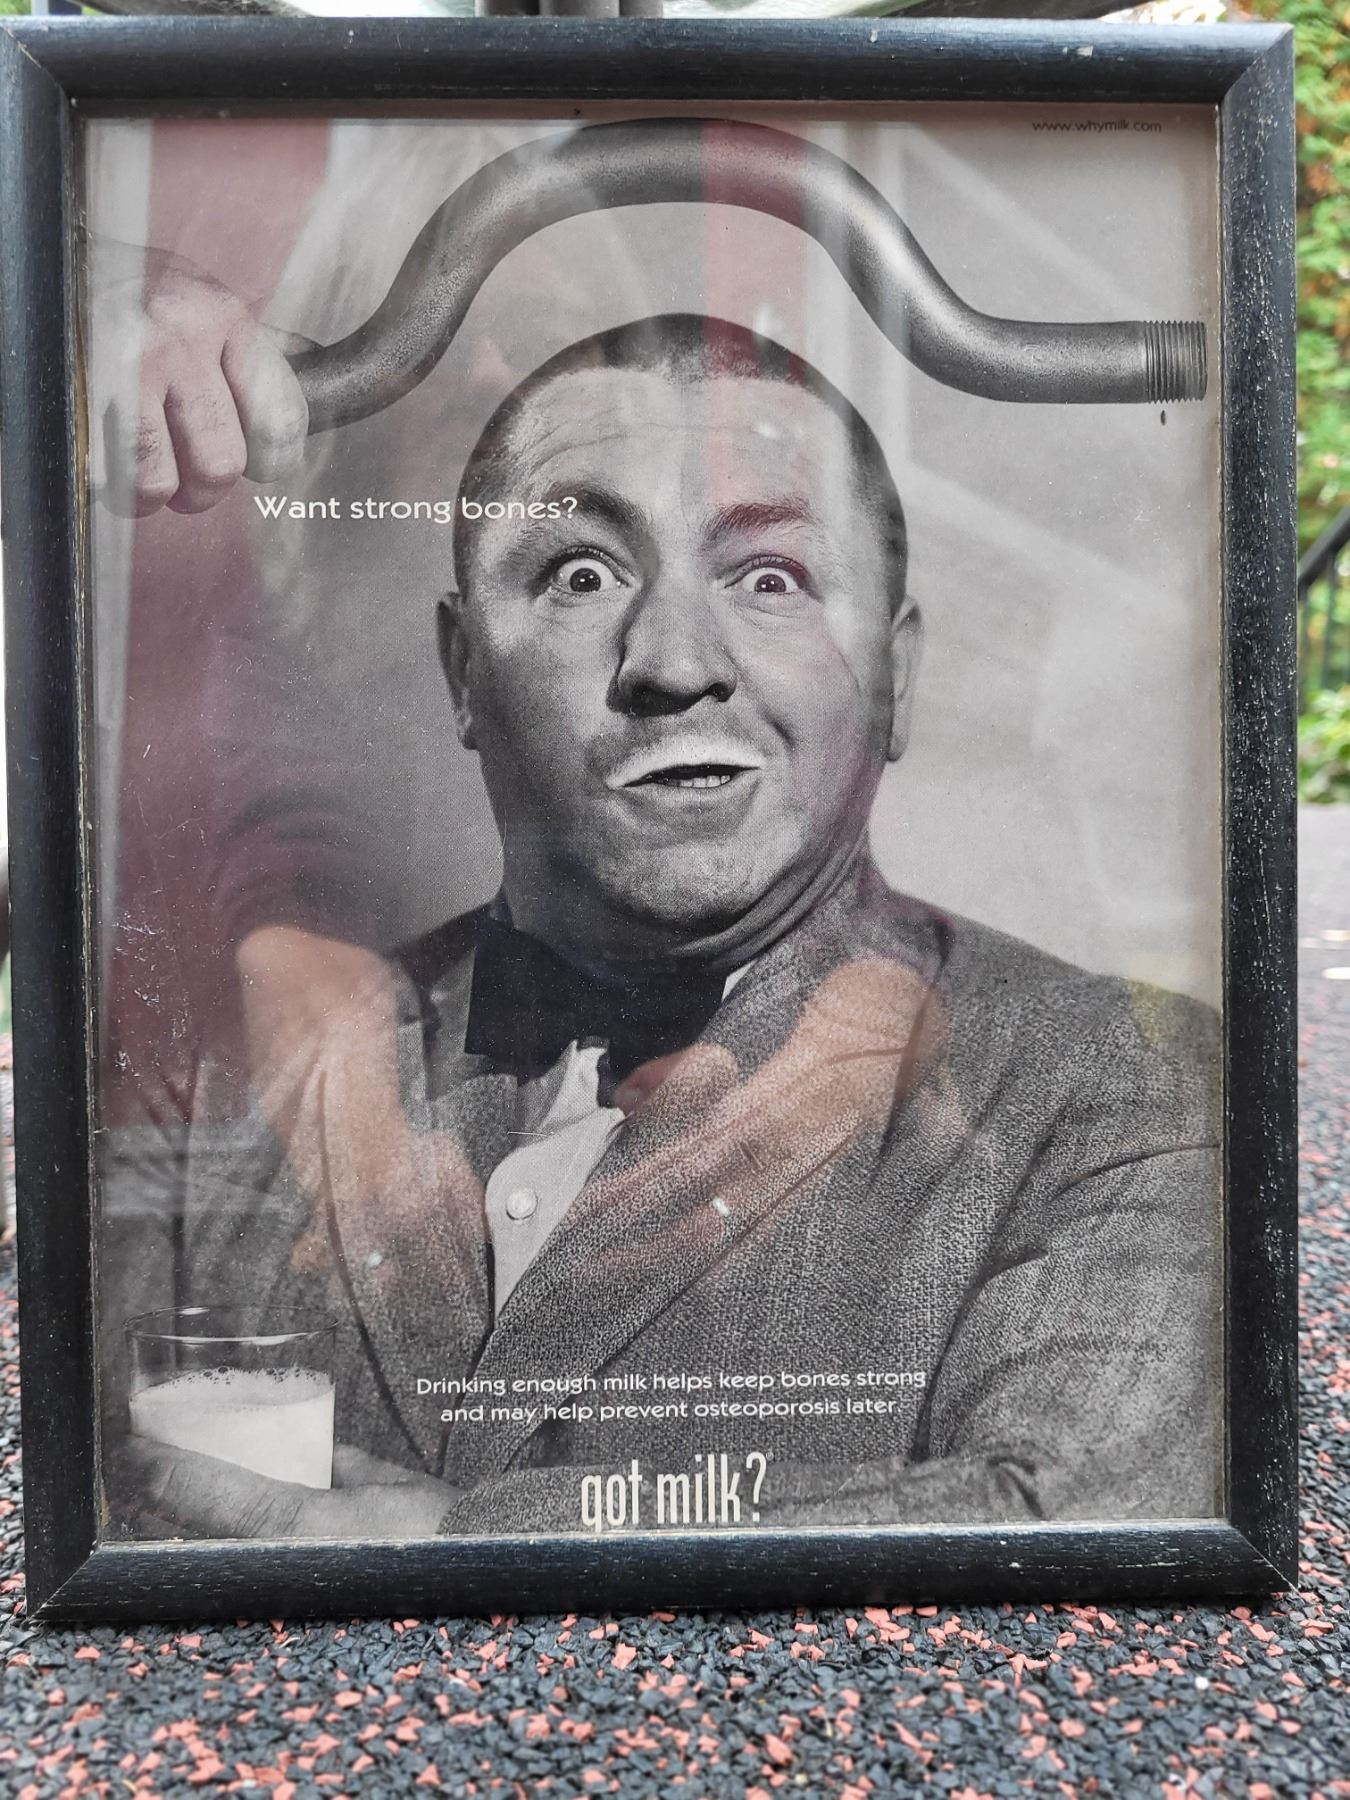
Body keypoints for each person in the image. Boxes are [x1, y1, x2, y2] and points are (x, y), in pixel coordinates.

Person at [105, 302, 1221, 1541]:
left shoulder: (1114, 1081)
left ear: (895, 680)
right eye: (580, 575)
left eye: (771, 577)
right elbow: (89, 1504)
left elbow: (1081, 1505)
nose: (676, 661)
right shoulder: (225, 1091)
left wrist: (464, 1547)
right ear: (464, 673)